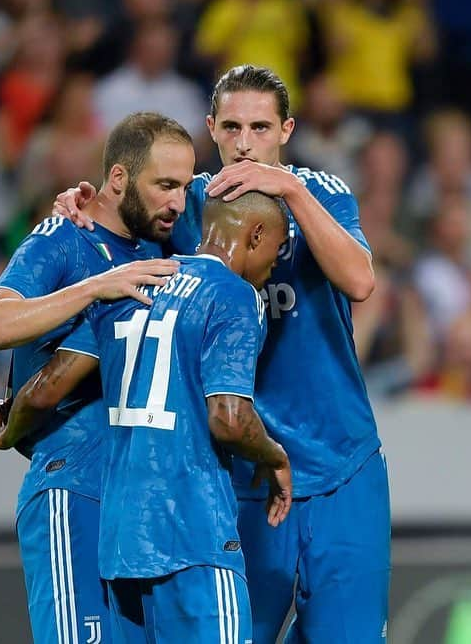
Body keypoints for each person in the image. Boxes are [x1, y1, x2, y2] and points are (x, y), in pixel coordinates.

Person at [55, 64, 388, 643]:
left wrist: (289, 190)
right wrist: (83, 205)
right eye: (231, 127)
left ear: (286, 130)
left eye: (260, 128)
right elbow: (116, 229)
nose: (244, 143)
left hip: (342, 465)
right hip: (243, 468)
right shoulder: (190, 205)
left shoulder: (323, 192)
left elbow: (360, 281)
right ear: (211, 128)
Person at [40, 191, 293, 643]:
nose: (273, 268)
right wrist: (274, 456)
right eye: (275, 252)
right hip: (193, 534)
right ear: (255, 235)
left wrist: (7, 427)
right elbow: (229, 419)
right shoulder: (234, 294)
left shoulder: (136, 281)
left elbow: (49, 386)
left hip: (121, 545)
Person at [0, 112, 190, 644]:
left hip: (140, 502)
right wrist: (96, 288)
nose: (178, 203)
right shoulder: (62, 236)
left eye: (184, 187)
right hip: (72, 485)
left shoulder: (158, 242)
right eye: (165, 185)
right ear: (119, 179)